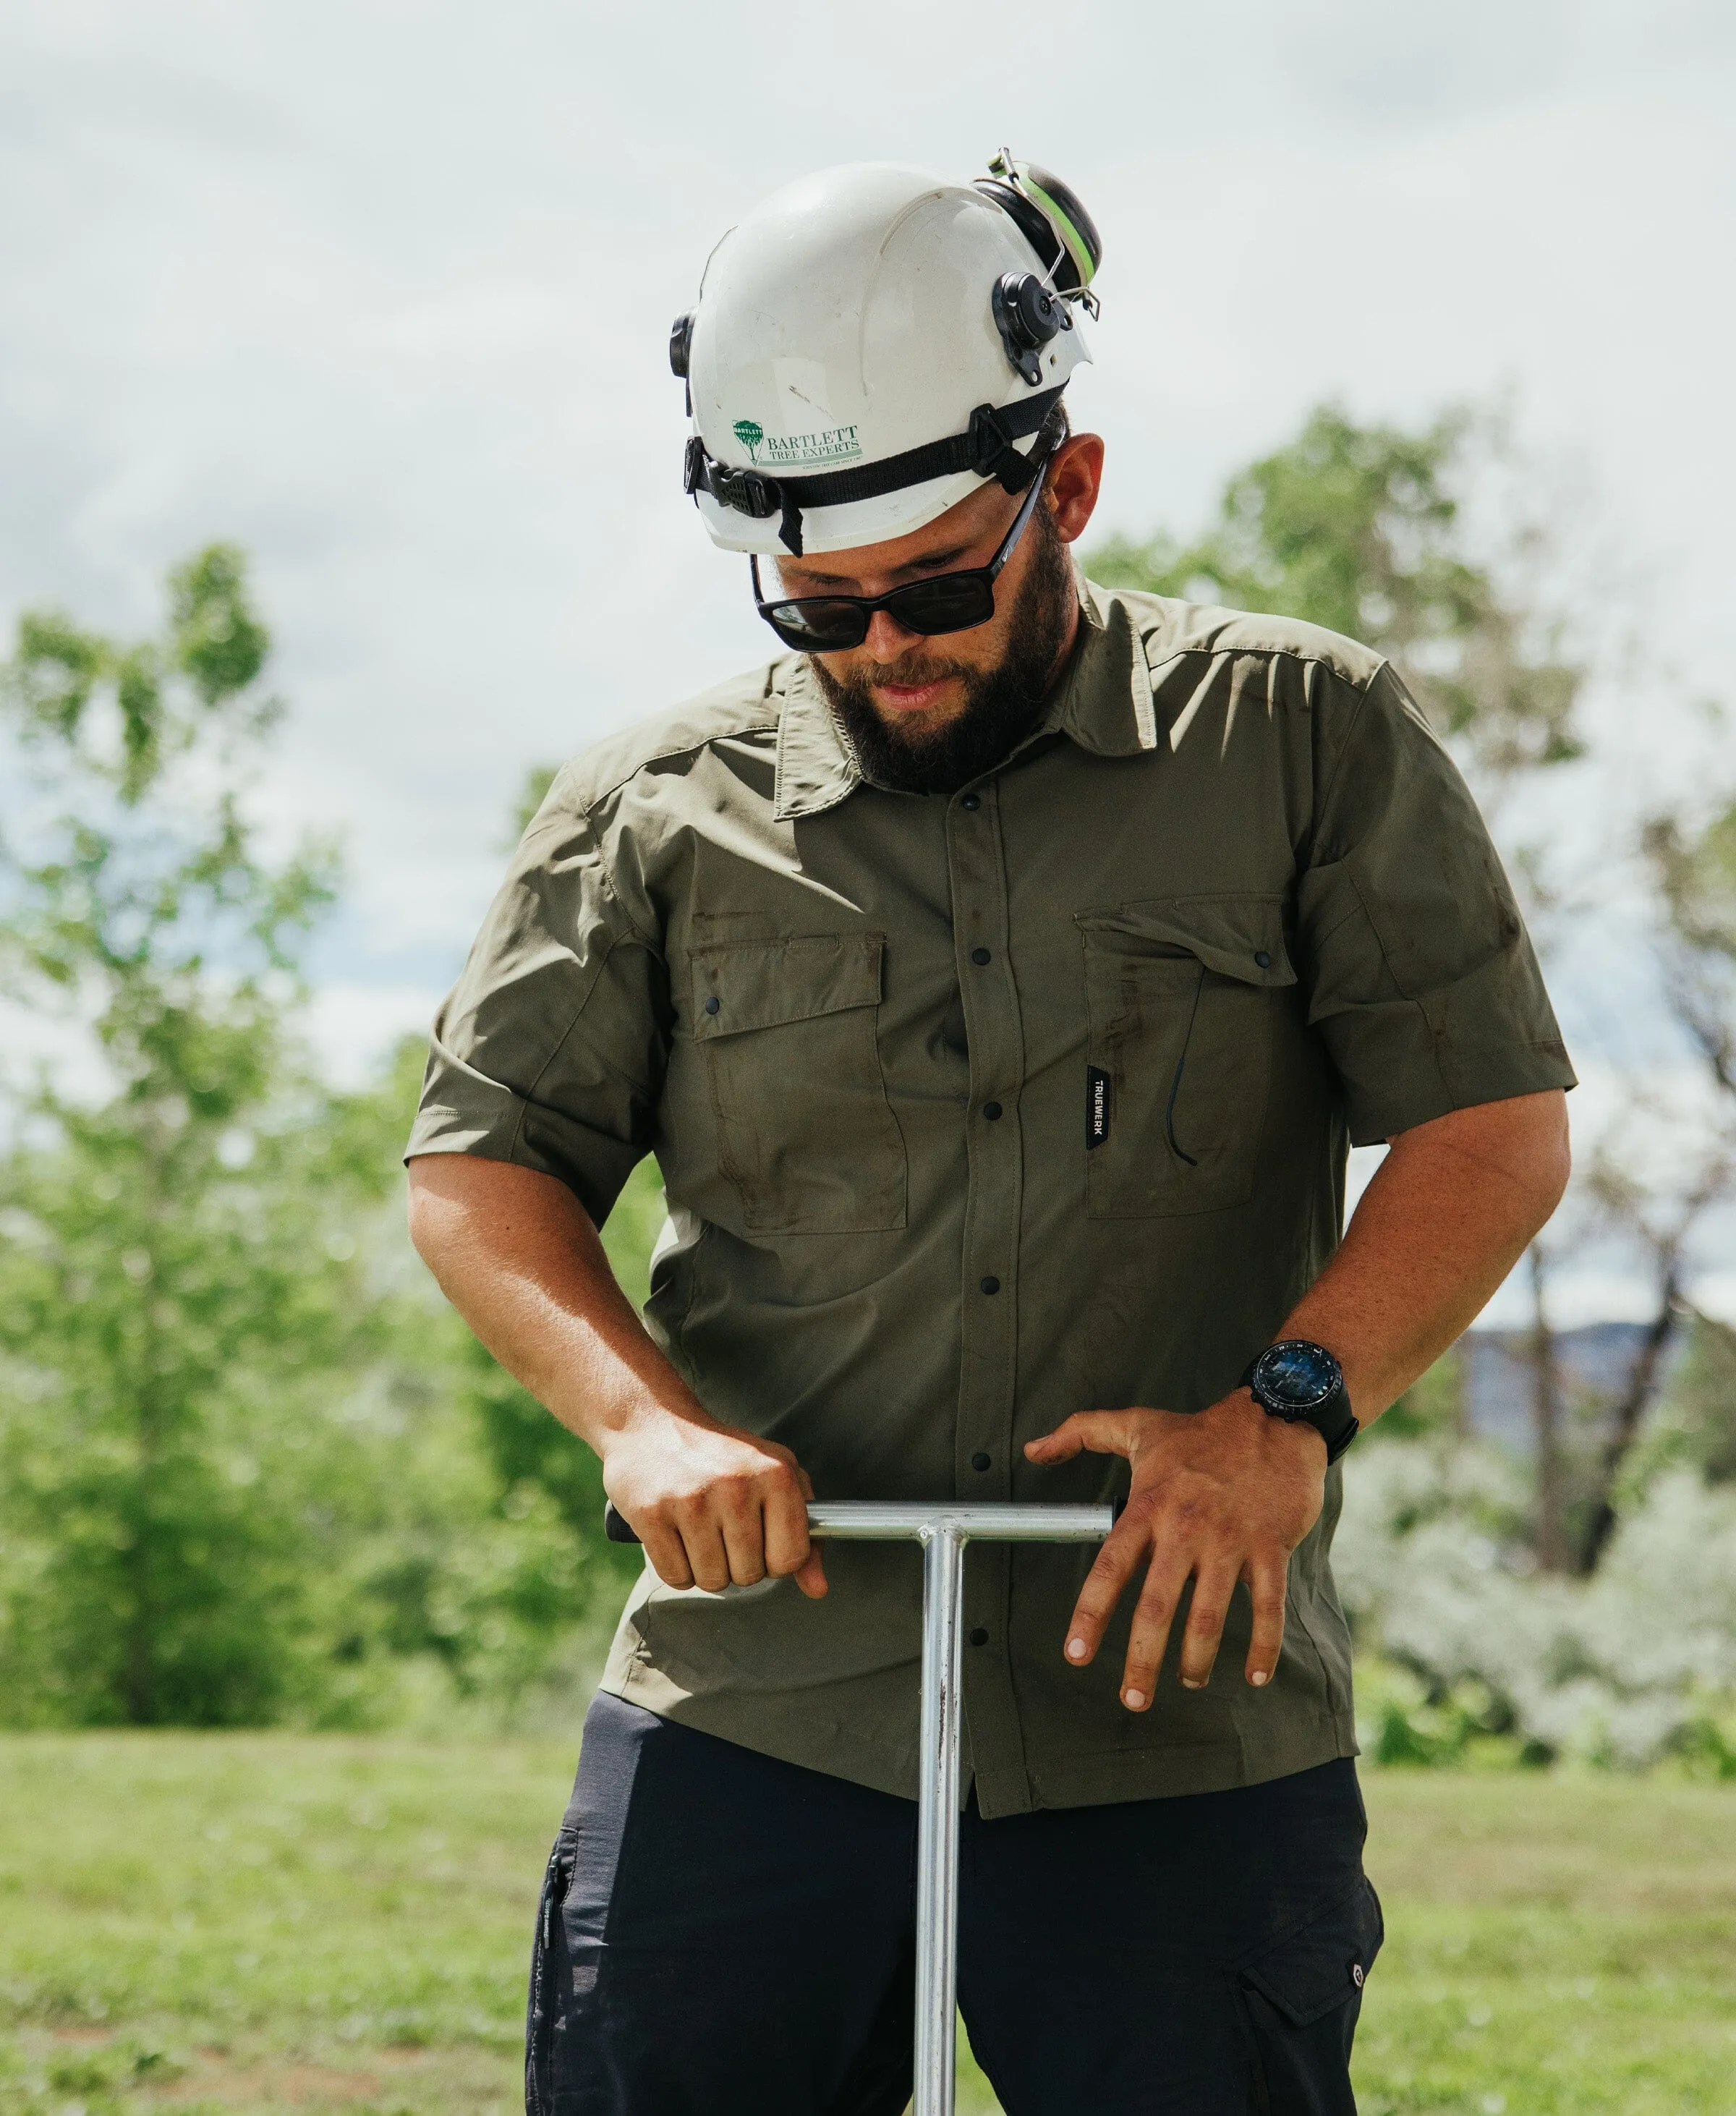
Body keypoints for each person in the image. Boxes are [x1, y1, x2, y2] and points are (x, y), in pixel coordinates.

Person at [406, 154, 1573, 2116]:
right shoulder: (646, 812)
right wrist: (643, 1420)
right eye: (823, 603)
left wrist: (1284, 1412)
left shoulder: (1303, 739)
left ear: (1071, 489)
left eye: (941, 586)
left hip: (1182, 1723)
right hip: (756, 1710)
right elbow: (478, 1166)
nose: (887, 646)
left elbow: (1493, 1121)